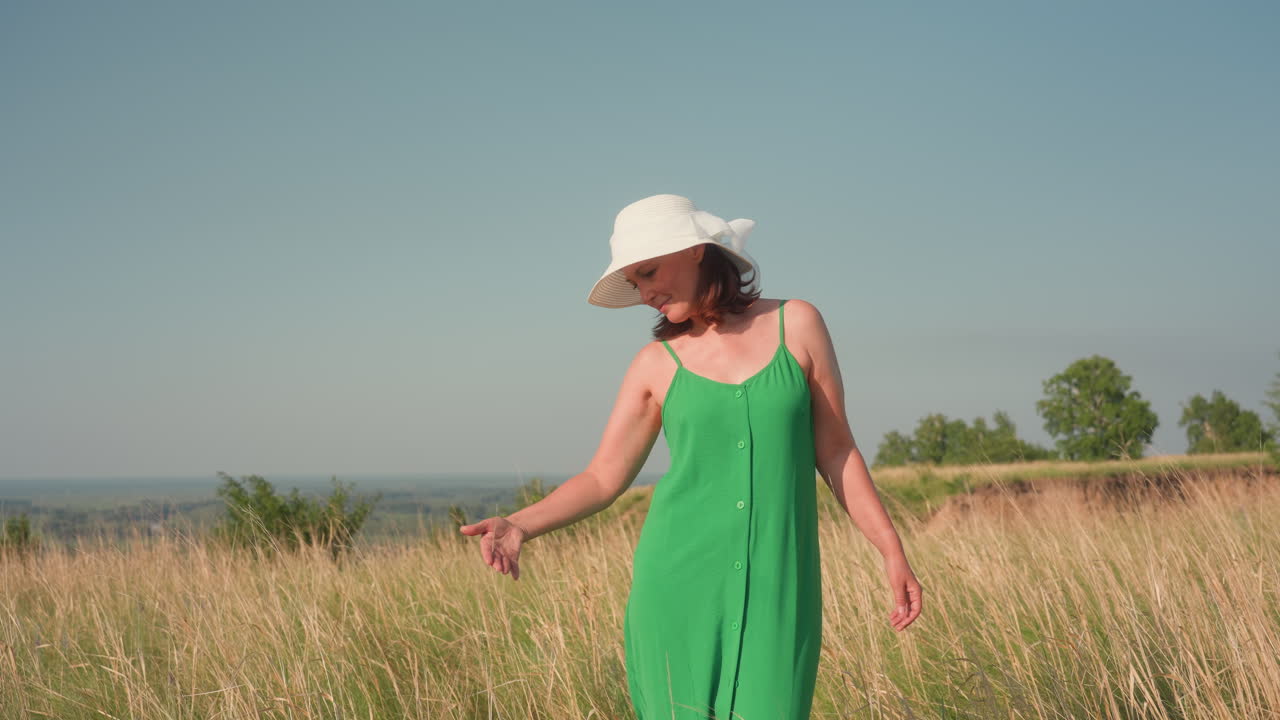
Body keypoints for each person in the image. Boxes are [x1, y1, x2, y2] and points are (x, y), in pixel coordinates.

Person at [460, 194, 923, 719]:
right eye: (635, 282)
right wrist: (519, 525)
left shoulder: (799, 324)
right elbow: (602, 478)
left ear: (698, 251)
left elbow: (837, 450)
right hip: (676, 590)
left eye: (650, 271)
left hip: (779, 591)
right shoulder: (653, 366)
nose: (645, 292)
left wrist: (889, 547)